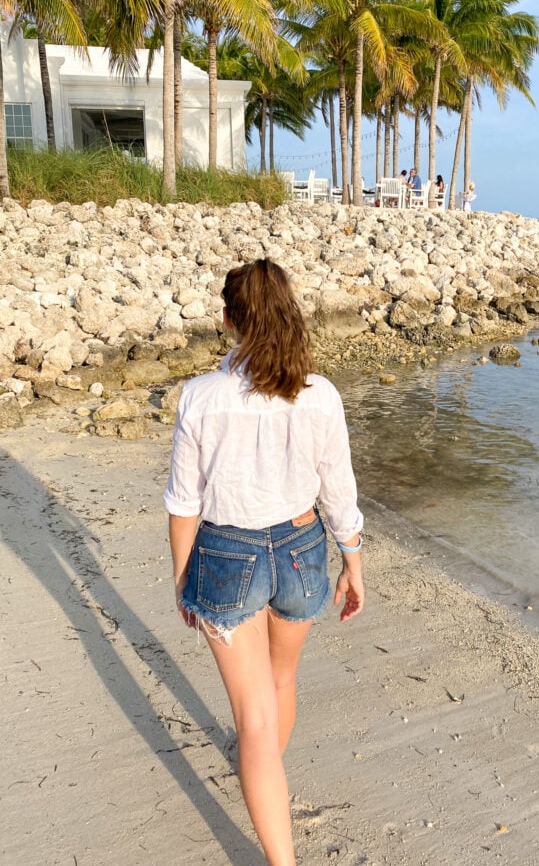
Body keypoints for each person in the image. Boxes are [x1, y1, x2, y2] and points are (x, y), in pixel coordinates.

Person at [164, 259, 364, 866]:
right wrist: (353, 561)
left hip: (227, 553)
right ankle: (264, 776)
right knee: (280, 683)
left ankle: (276, 838)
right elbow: (339, 489)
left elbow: (184, 502)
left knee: (253, 719)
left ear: (229, 320)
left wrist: (183, 579)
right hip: (303, 549)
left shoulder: (200, 396)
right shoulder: (320, 393)